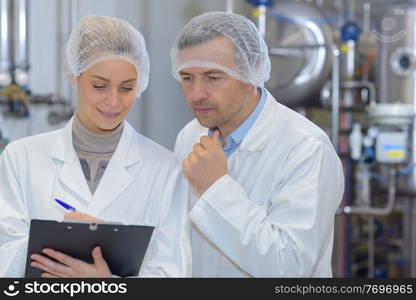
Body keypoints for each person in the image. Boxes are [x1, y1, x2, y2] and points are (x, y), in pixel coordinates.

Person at [0, 15, 191, 277]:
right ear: (75, 75)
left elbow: (172, 273)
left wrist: (107, 283)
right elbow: (3, 254)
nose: (113, 102)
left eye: (126, 88)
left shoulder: (165, 168)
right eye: (99, 86)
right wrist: (56, 241)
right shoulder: (21, 158)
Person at [171, 11, 344, 277]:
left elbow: (291, 267)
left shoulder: (307, 148)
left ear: (251, 72)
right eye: (187, 78)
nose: (196, 94)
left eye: (213, 77)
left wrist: (215, 188)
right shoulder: (190, 135)